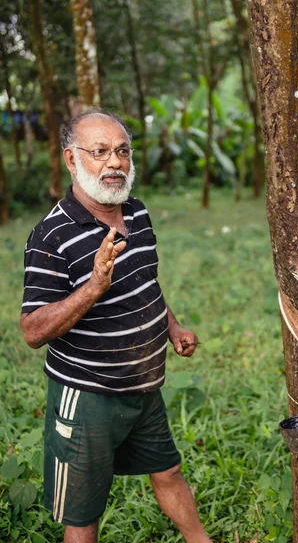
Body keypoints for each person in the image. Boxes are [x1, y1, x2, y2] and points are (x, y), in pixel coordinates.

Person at [20, 109, 211, 543]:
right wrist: (92, 287)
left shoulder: (136, 213)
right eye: (100, 152)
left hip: (143, 387)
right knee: (84, 514)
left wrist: (172, 327)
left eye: (122, 151)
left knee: (169, 472)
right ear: (72, 160)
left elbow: (145, 283)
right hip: (88, 396)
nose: (115, 162)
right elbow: (32, 330)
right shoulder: (51, 236)